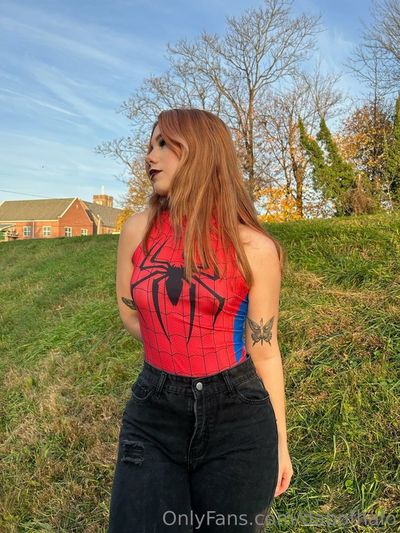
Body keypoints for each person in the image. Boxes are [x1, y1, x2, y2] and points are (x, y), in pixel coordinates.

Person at [108, 108, 293, 532]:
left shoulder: (255, 248)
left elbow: (264, 348)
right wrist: (175, 345)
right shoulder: (137, 231)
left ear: (201, 151)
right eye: (149, 145)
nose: (149, 156)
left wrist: (280, 441)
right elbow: (130, 312)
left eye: (163, 144)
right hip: (154, 410)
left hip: (239, 416)